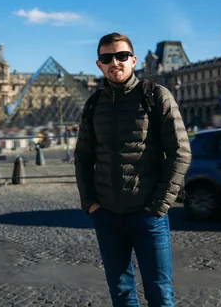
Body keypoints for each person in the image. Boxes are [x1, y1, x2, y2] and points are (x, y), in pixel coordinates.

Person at [74, 32, 191, 306]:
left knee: (160, 294)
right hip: (107, 216)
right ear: (99, 64)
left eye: (121, 55)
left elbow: (180, 152)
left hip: (148, 215)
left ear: (134, 60)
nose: (115, 62)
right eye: (107, 57)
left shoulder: (157, 96)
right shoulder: (93, 104)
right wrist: (90, 203)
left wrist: (158, 205)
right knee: (122, 294)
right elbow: (82, 156)